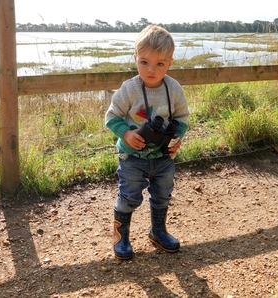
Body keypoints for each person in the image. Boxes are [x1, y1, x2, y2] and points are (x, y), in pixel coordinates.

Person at [105, 25, 189, 259]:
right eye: (144, 63)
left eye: (159, 64)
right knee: (128, 196)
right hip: (132, 158)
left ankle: (158, 231)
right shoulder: (129, 88)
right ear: (135, 59)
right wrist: (126, 133)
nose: (151, 70)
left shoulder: (173, 89)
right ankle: (120, 238)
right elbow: (112, 117)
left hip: (163, 158)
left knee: (163, 194)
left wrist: (176, 137)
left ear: (170, 63)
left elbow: (182, 118)